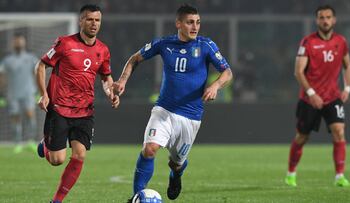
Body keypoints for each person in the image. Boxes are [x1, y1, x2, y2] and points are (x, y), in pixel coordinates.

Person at [113, 4, 233, 201]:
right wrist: (123, 80)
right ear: (178, 23)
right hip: (164, 111)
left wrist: (215, 86)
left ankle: (176, 174)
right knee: (149, 149)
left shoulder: (206, 45)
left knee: (176, 163)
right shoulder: (164, 44)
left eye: (197, 22)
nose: (195, 27)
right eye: (190, 22)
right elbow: (135, 58)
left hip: (191, 117)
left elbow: (227, 72)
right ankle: (137, 197)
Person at [35, 4, 119, 203]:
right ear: (81, 21)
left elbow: (106, 77)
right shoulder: (64, 43)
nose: (94, 24)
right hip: (60, 108)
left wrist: (110, 92)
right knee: (57, 160)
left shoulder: (103, 50)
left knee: (79, 155)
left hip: (84, 111)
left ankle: (56, 201)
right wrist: (43, 94)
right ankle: (45, 146)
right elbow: (40, 66)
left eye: (97, 20)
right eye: (89, 19)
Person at [285, 5, 350, 187]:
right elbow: (298, 72)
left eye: (328, 17)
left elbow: (348, 65)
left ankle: (340, 177)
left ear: (334, 20)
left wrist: (347, 88)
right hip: (310, 99)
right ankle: (291, 173)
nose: (325, 20)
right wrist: (311, 93)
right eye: (322, 17)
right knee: (302, 137)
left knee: (339, 132)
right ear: (317, 21)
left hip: (332, 97)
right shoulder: (307, 42)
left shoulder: (341, 41)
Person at [0, 34, 38, 153]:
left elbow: (38, 73)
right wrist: (1, 94)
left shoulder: (31, 58)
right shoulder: (7, 60)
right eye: (16, 42)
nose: (19, 44)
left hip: (29, 93)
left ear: (24, 43)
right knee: (15, 118)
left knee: (30, 115)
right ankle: (17, 143)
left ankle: (31, 140)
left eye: (20, 42)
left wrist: (39, 91)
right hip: (13, 94)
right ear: (13, 44)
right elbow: (2, 77)